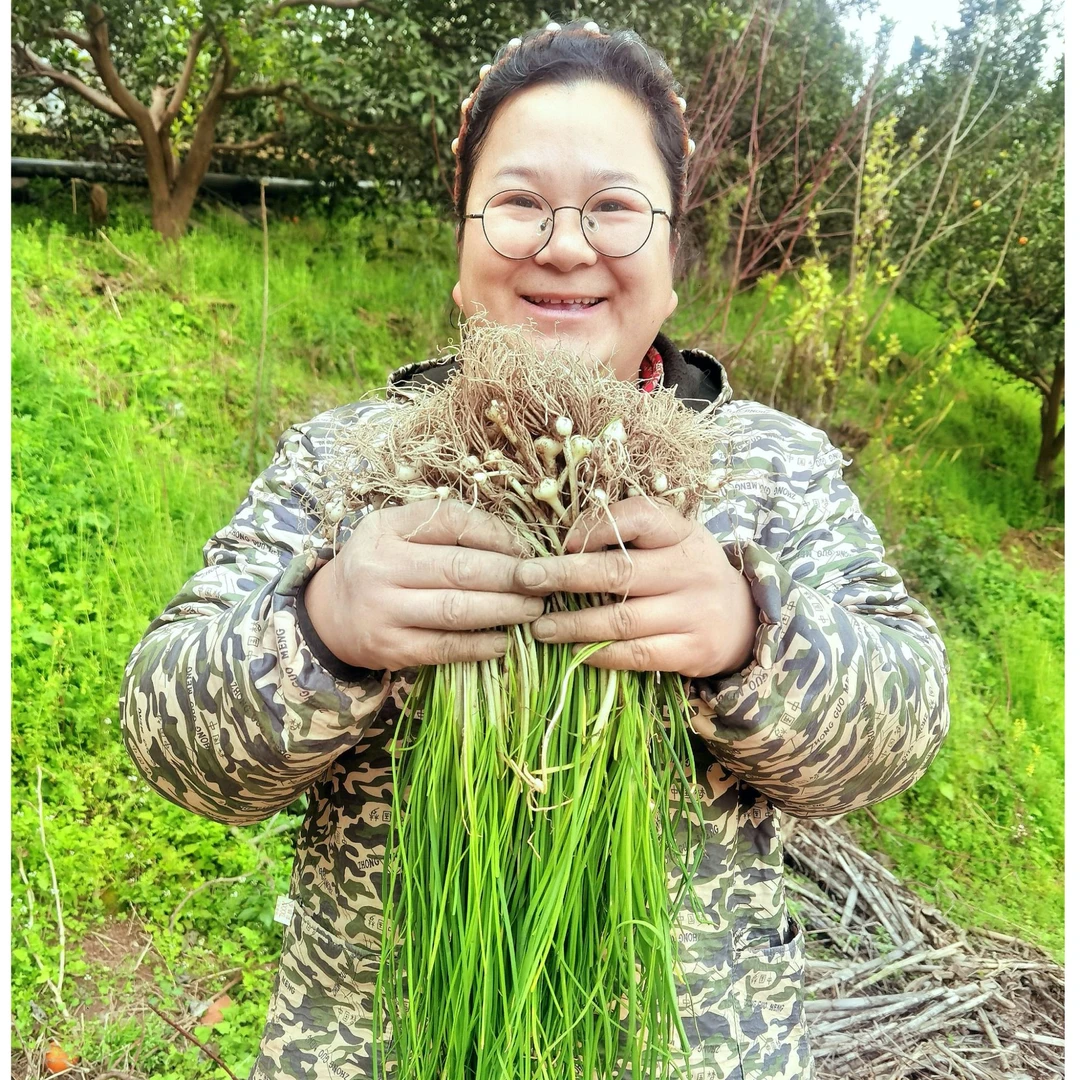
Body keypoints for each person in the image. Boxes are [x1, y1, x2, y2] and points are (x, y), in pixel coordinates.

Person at [120, 21, 949, 1080]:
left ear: (671, 256)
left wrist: (750, 638)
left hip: (686, 1052)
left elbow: (905, 729)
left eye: (614, 207)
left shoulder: (770, 468)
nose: (564, 246)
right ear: (462, 250)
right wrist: (321, 627)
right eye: (518, 204)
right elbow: (171, 748)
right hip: (383, 1049)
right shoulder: (343, 461)